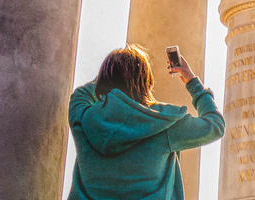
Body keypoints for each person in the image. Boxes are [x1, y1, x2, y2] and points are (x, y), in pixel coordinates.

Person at [66, 44, 225, 200]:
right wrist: (191, 80)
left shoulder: (84, 119)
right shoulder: (164, 122)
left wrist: (108, 75)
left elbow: (81, 94)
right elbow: (215, 125)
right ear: (146, 82)